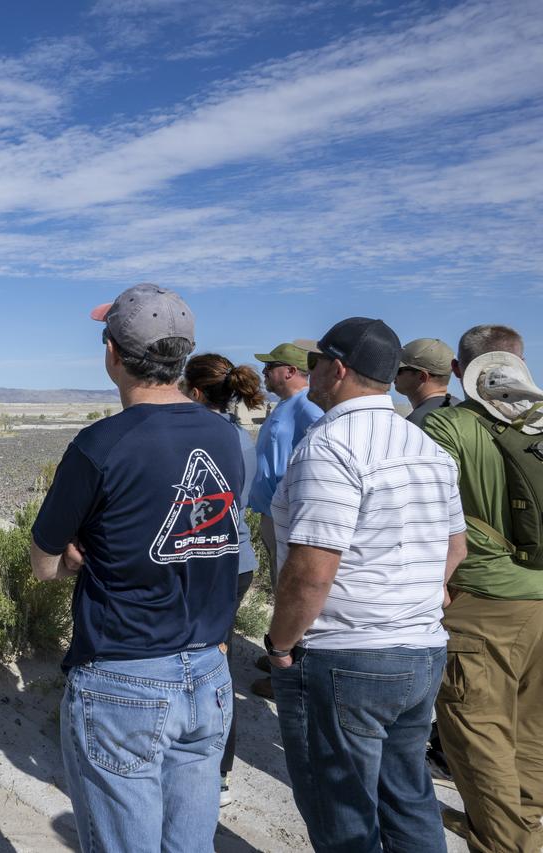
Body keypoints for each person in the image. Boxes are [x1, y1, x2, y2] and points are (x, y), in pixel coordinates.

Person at [30, 284, 244, 853]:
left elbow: (43, 563)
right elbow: (207, 528)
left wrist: (74, 558)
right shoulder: (226, 437)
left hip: (124, 676)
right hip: (210, 674)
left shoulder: (100, 445)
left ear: (113, 355)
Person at [266, 317, 465, 853]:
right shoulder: (427, 447)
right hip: (420, 649)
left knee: (344, 817)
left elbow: (311, 572)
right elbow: (456, 547)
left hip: (345, 653)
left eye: (314, 363)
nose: (309, 373)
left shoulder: (330, 447)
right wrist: (421, 594)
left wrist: (280, 645)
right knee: (408, 799)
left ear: (337, 368)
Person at [423, 324, 543, 852]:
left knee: (478, 734)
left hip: (483, 600)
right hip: (539, 595)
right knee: (531, 728)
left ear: (458, 371)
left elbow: (423, 519)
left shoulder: (446, 428)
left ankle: (504, 843)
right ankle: (530, 823)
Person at [182, 353, 265, 809]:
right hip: (237, 564)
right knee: (218, 667)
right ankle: (219, 773)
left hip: (196, 566)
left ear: (194, 391)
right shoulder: (242, 440)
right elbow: (245, 501)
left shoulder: (186, 439)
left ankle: (196, 767)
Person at [250, 341, 322, 562]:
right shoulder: (287, 403)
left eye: (270, 366)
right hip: (273, 515)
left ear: (290, 371)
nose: (264, 371)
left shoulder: (307, 405)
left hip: (288, 517)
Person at [396, 337, 459, 426]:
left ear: (422, 376)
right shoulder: (465, 409)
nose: (393, 374)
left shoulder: (415, 423)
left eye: (399, 370)